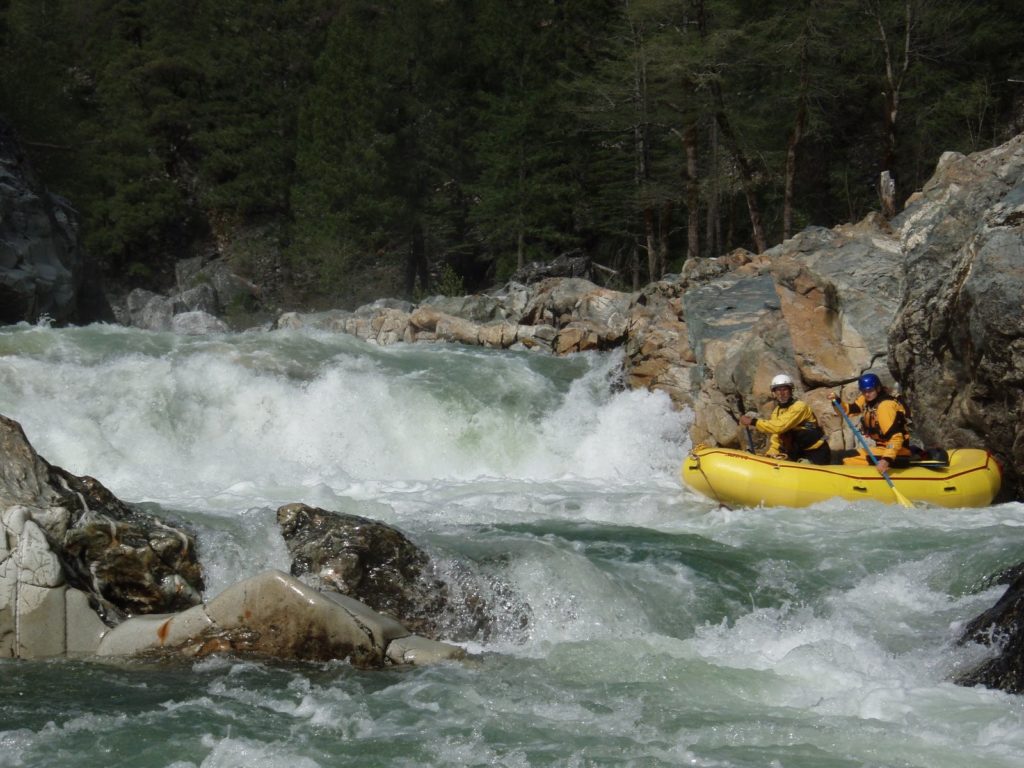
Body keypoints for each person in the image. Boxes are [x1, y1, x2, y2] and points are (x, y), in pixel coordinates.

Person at [829, 372, 911, 474]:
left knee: (843, 459)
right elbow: (849, 410)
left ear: (878, 388)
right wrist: (836, 402)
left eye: (870, 391)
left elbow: (896, 437)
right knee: (842, 455)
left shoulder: (885, 406)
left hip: (897, 452)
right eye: (864, 391)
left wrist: (886, 460)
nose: (867, 394)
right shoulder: (867, 400)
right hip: (881, 449)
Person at [739, 373, 831, 465]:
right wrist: (771, 453)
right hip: (798, 453)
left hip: (816, 453)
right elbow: (776, 437)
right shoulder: (776, 411)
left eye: (784, 389)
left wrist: (753, 422)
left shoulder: (799, 407)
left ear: (791, 390)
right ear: (774, 393)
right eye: (778, 390)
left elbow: (779, 427)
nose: (781, 394)